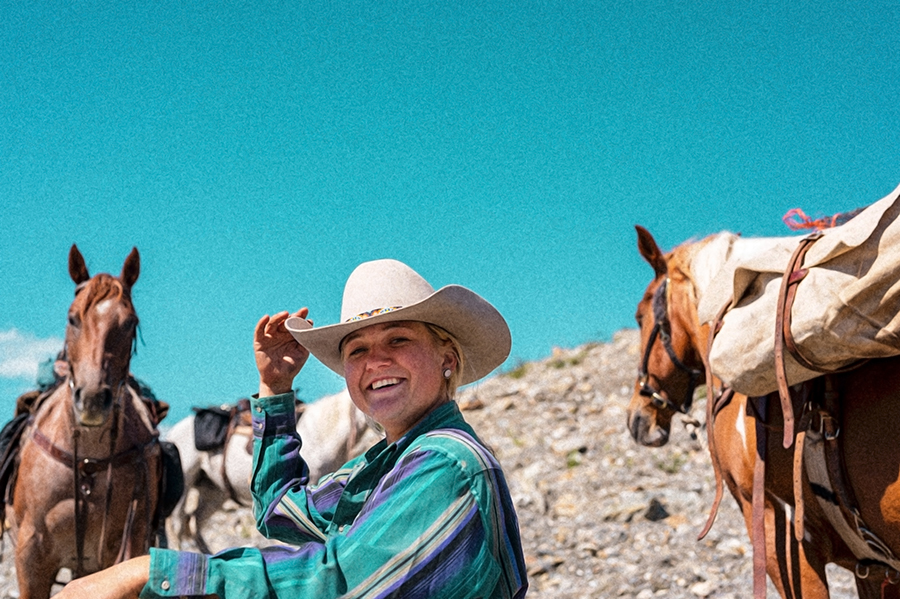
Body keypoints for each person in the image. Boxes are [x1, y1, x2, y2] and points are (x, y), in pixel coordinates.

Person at [57, 258, 528, 599]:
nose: (375, 361)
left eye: (398, 339)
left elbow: (336, 582)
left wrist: (147, 572)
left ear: (447, 359)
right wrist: (275, 388)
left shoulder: (446, 465)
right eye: (356, 350)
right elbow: (281, 512)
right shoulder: (387, 465)